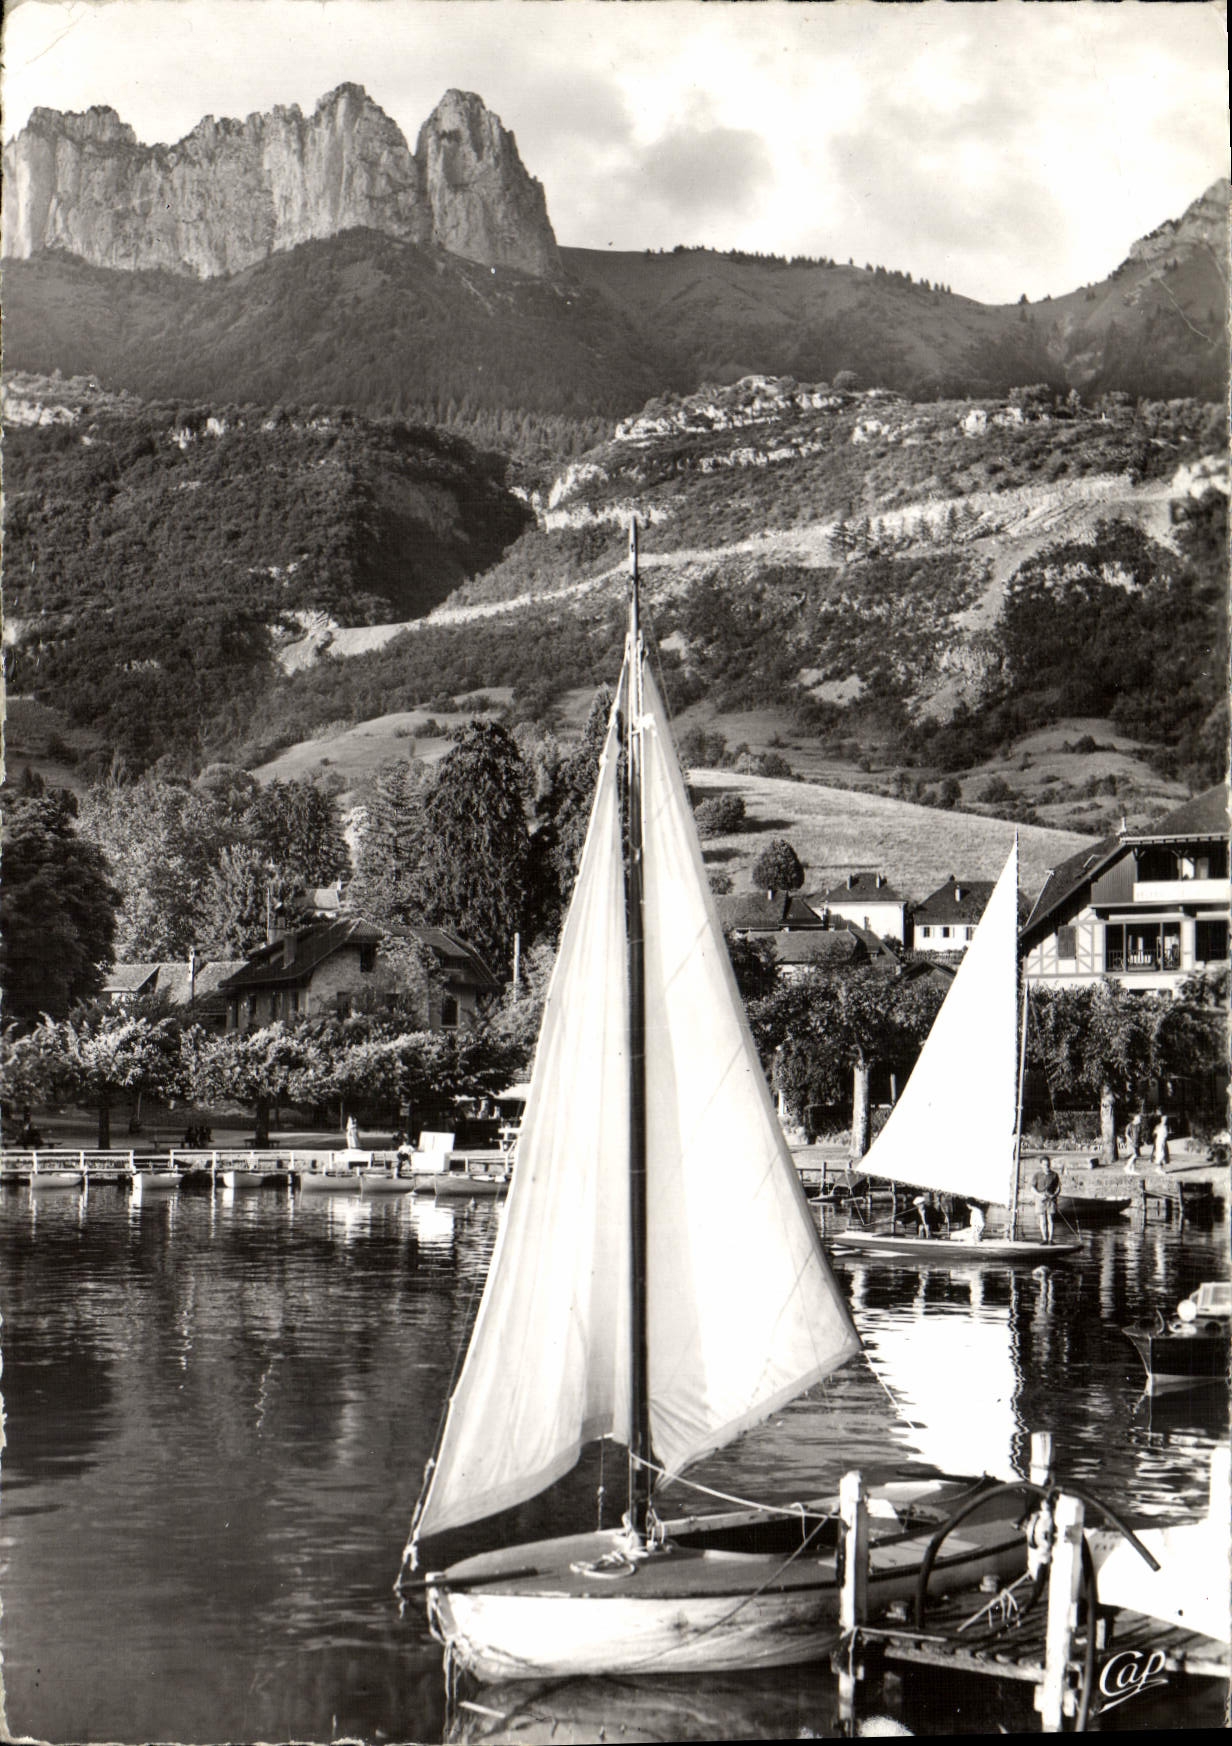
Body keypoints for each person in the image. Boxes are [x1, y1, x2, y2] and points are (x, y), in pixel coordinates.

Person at [1032, 1156, 1061, 1244]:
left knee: (1050, 1219)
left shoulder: (1055, 1175)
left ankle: (1050, 1239)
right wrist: (1039, 1195)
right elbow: (1032, 1188)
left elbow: (1058, 1188)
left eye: (1048, 1164)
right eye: (1044, 1164)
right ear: (1041, 1165)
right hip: (1040, 1199)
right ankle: (1044, 1239)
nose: (1046, 1166)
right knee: (1042, 1220)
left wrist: (1054, 1195)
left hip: (1050, 1199)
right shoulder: (1037, 1175)